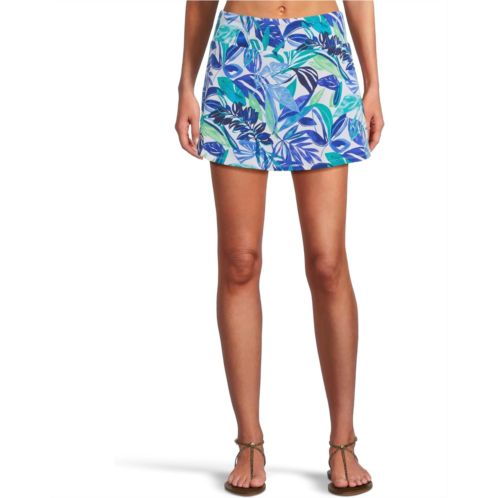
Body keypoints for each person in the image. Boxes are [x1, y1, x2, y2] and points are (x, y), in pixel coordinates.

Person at [175, 0, 384, 495]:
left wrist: (373, 82)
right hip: (238, 57)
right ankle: (249, 440)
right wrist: (186, 82)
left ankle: (343, 440)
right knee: (239, 261)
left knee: (327, 262)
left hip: (319, 55)